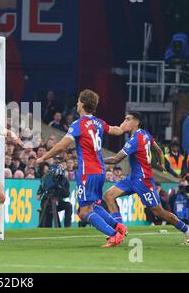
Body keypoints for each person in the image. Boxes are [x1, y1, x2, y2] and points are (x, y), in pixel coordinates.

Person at [36, 89, 126, 247]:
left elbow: (61, 146)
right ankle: (118, 226)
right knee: (94, 206)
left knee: (84, 212)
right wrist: (124, 127)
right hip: (100, 170)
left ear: (83, 104)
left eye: (78, 101)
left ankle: (114, 235)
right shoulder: (99, 122)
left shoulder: (78, 124)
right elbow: (116, 130)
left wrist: (44, 157)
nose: (76, 103)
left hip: (88, 171)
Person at [103, 112, 189, 245]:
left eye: (128, 119)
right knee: (108, 195)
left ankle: (188, 231)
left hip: (143, 181)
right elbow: (158, 150)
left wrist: (96, 159)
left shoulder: (135, 139)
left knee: (159, 212)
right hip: (133, 178)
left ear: (136, 122)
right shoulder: (145, 134)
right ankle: (120, 230)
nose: (124, 121)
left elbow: (116, 159)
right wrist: (161, 163)